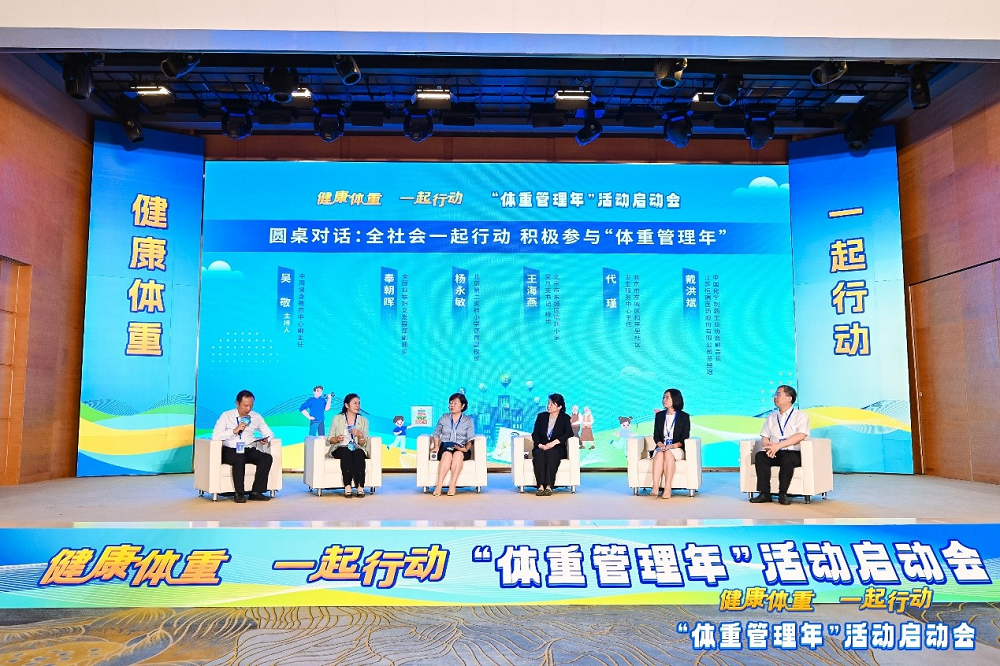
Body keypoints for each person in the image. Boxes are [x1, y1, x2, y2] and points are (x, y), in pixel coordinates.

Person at [210, 389, 274, 503]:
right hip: (229, 450)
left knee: (266, 458)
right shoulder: (226, 416)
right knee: (239, 459)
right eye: (245, 405)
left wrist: (267, 439)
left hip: (247, 449)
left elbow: (269, 433)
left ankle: (256, 492)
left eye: (251, 406)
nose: (248, 409)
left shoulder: (256, 417)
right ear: (237, 403)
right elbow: (216, 436)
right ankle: (239, 493)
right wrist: (234, 431)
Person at [750, 384, 810, 505]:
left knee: (787, 458)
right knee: (760, 456)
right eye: (775, 395)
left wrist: (778, 446)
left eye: (778, 394)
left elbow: (801, 435)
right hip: (775, 452)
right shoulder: (771, 416)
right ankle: (764, 493)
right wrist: (769, 447)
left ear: (789, 398)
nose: (775, 397)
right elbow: (765, 436)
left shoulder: (801, 416)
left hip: (793, 452)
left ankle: (783, 494)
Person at [429, 393, 476, 496]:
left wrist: (465, 449)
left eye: (455, 403)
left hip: (460, 447)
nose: (452, 405)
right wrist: (436, 446)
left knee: (458, 455)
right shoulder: (444, 417)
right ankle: (439, 485)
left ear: (462, 406)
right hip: (445, 446)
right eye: (450, 403)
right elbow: (436, 433)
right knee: (447, 455)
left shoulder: (468, 420)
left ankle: (452, 484)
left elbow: (470, 438)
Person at [650, 388, 691, 499]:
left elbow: (684, 438)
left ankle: (667, 487)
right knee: (659, 454)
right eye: (663, 397)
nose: (664, 400)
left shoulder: (684, 416)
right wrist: (660, 445)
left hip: (676, 448)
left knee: (668, 453)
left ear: (675, 399)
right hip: (662, 446)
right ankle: (655, 487)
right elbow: (656, 435)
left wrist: (672, 446)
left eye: (667, 397)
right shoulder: (659, 416)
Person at [530, 393, 574, 496]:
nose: (548, 406)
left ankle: (549, 486)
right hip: (541, 446)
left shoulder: (565, 418)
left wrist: (554, 443)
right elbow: (535, 434)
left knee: (551, 454)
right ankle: (540, 486)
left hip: (557, 448)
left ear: (559, 407)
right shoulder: (541, 417)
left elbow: (569, 433)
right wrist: (540, 445)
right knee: (540, 454)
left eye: (552, 404)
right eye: (548, 403)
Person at [328, 393, 370, 497]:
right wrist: (337, 438)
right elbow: (330, 439)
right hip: (340, 447)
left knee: (359, 453)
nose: (357, 406)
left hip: (356, 447)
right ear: (347, 405)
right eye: (355, 403)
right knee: (346, 452)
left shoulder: (364, 421)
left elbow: (363, 443)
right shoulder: (337, 418)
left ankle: (360, 487)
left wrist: (360, 435)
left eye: (359, 403)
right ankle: (347, 486)